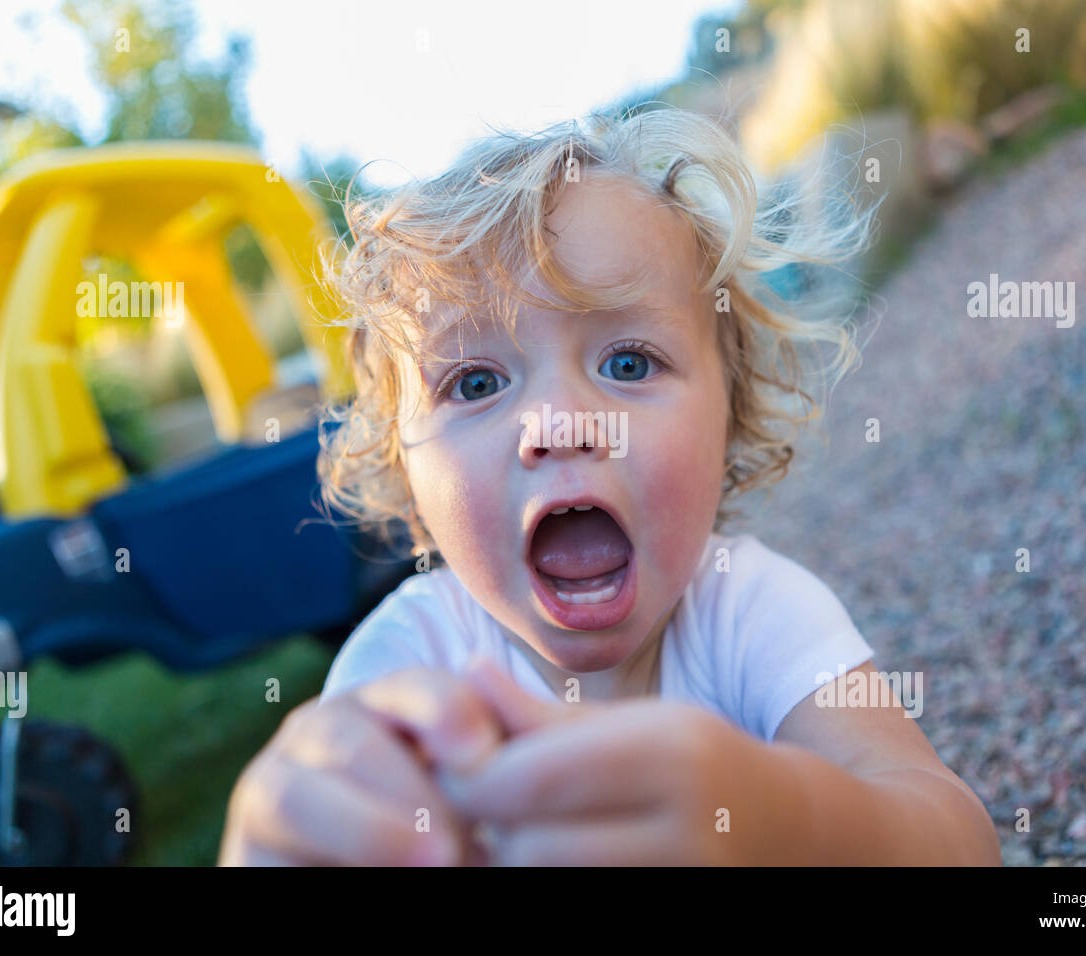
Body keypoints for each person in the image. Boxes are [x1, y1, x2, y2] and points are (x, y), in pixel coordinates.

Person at [219, 108, 1001, 866]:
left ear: (731, 410)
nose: (558, 422)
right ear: (404, 467)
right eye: (477, 381)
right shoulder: (405, 666)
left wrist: (783, 818)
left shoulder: (752, 613)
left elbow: (958, 838)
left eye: (627, 363)